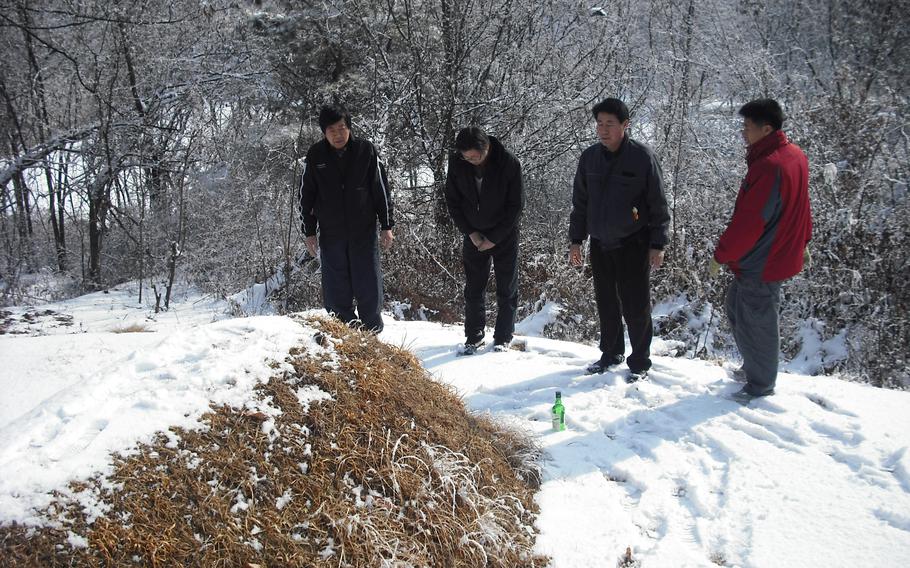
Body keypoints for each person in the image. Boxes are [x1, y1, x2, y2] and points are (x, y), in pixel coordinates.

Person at [710, 98, 812, 402]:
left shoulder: (771, 166)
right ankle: (754, 368)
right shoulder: (793, 156)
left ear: (766, 129)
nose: (743, 132)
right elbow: (802, 206)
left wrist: (721, 254)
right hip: (774, 252)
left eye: (748, 127)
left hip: (763, 259)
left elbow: (750, 222)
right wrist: (804, 240)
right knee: (735, 306)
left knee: (759, 320)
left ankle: (760, 385)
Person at [568, 98, 670, 382]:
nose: (603, 130)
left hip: (633, 243)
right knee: (606, 303)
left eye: (609, 124)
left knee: (635, 306)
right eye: (599, 124)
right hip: (600, 243)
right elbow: (580, 203)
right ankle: (610, 353)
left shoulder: (642, 158)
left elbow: (659, 204)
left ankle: (639, 362)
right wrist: (576, 240)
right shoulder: (589, 158)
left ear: (625, 125)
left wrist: (658, 244)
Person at [299, 103, 394, 332]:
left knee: (368, 283)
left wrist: (387, 225)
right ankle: (345, 332)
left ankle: (372, 332)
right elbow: (305, 196)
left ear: (349, 128)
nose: (337, 134)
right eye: (331, 130)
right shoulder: (316, 155)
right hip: (331, 233)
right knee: (335, 286)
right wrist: (309, 232)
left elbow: (381, 189)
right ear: (324, 133)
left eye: (341, 128)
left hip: (363, 230)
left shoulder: (366, 151)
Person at [445, 126, 524, 354]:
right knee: (474, 288)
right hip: (473, 234)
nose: (470, 160)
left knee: (506, 288)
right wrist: (470, 232)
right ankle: (474, 335)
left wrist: (494, 238)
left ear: (486, 147)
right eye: (466, 156)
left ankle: (503, 337)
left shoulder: (508, 163)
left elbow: (516, 206)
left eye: (475, 156)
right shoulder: (458, 163)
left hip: (504, 235)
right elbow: (453, 200)